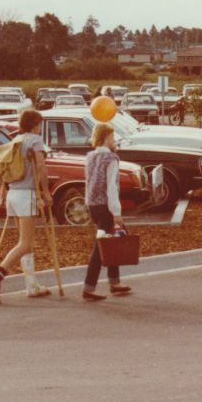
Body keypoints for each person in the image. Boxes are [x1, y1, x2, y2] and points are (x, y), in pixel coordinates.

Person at [0, 109, 52, 303]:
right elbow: (41, 166)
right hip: (27, 195)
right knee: (26, 243)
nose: (40, 128)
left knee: (25, 242)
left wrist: (2, 192)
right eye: (39, 124)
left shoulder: (14, 141)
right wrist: (46, 192)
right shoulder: (35, 141)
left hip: (13, 194)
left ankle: (32, 285)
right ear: (35, 124)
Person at [81, 122, 132, 301]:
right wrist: (116, 212)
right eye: (111, 137)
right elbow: (111, 187)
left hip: (93, 205)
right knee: (101, 246)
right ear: (105, 138)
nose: (114, 140)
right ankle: (89, 287)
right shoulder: (111, 159)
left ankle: (114, 282)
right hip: (106, 207)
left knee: (111, 241)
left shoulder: (90, 157)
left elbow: (90, 182)